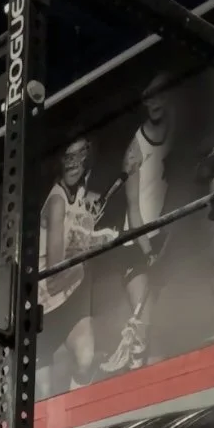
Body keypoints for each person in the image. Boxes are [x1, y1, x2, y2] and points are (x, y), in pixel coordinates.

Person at [101, 75, 176, 375]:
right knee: (142, 319)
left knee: (161, 323)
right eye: (148, 97)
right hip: (137, 242)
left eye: (159, 95)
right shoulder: (135, 147)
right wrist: (147, 250)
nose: (154, 102)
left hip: (164, 236)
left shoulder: (178, 131)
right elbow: (133, 207)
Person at [35, 137, 119, 397]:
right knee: (43, 392)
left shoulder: (79, 193)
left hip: (70, 294)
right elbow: (54, 272)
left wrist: (92, 230)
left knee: (86, 357)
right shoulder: (57, 201)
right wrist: (92, 243)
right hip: (44, 304)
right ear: (59, 160)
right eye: (67, 157)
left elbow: (80, 226)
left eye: (80, 156)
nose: (74, 164)